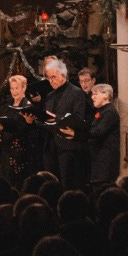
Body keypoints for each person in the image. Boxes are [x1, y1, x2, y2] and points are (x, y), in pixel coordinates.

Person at [41, 56, 89, 188]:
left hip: (68, 147)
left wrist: (57, 118)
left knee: (68, 185)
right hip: (50, 146)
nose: (51, 81)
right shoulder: (50, 96)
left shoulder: (76, 93)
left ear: (62, 75)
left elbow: (79, 118)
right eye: (49, 78)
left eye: (53, 77)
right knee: (50, 186)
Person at [0, 71, 44, 184]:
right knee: (5, 181)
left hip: (20, 152)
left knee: (18, 182)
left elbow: (24, 129)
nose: (14, 91)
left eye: (17, 88)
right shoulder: (7, 105)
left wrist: (3, 128)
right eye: (12, 88)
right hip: (5, 150)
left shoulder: (28, 106)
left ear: (24, 88)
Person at [85, 83, 122, 190]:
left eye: (95, 94)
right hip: (98, 163)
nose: (92, 97)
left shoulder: (110, 112)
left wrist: (80, 133)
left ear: (106, 95)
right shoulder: (101, 111)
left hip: (105, 164)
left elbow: (98, 132)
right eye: (92, 94)